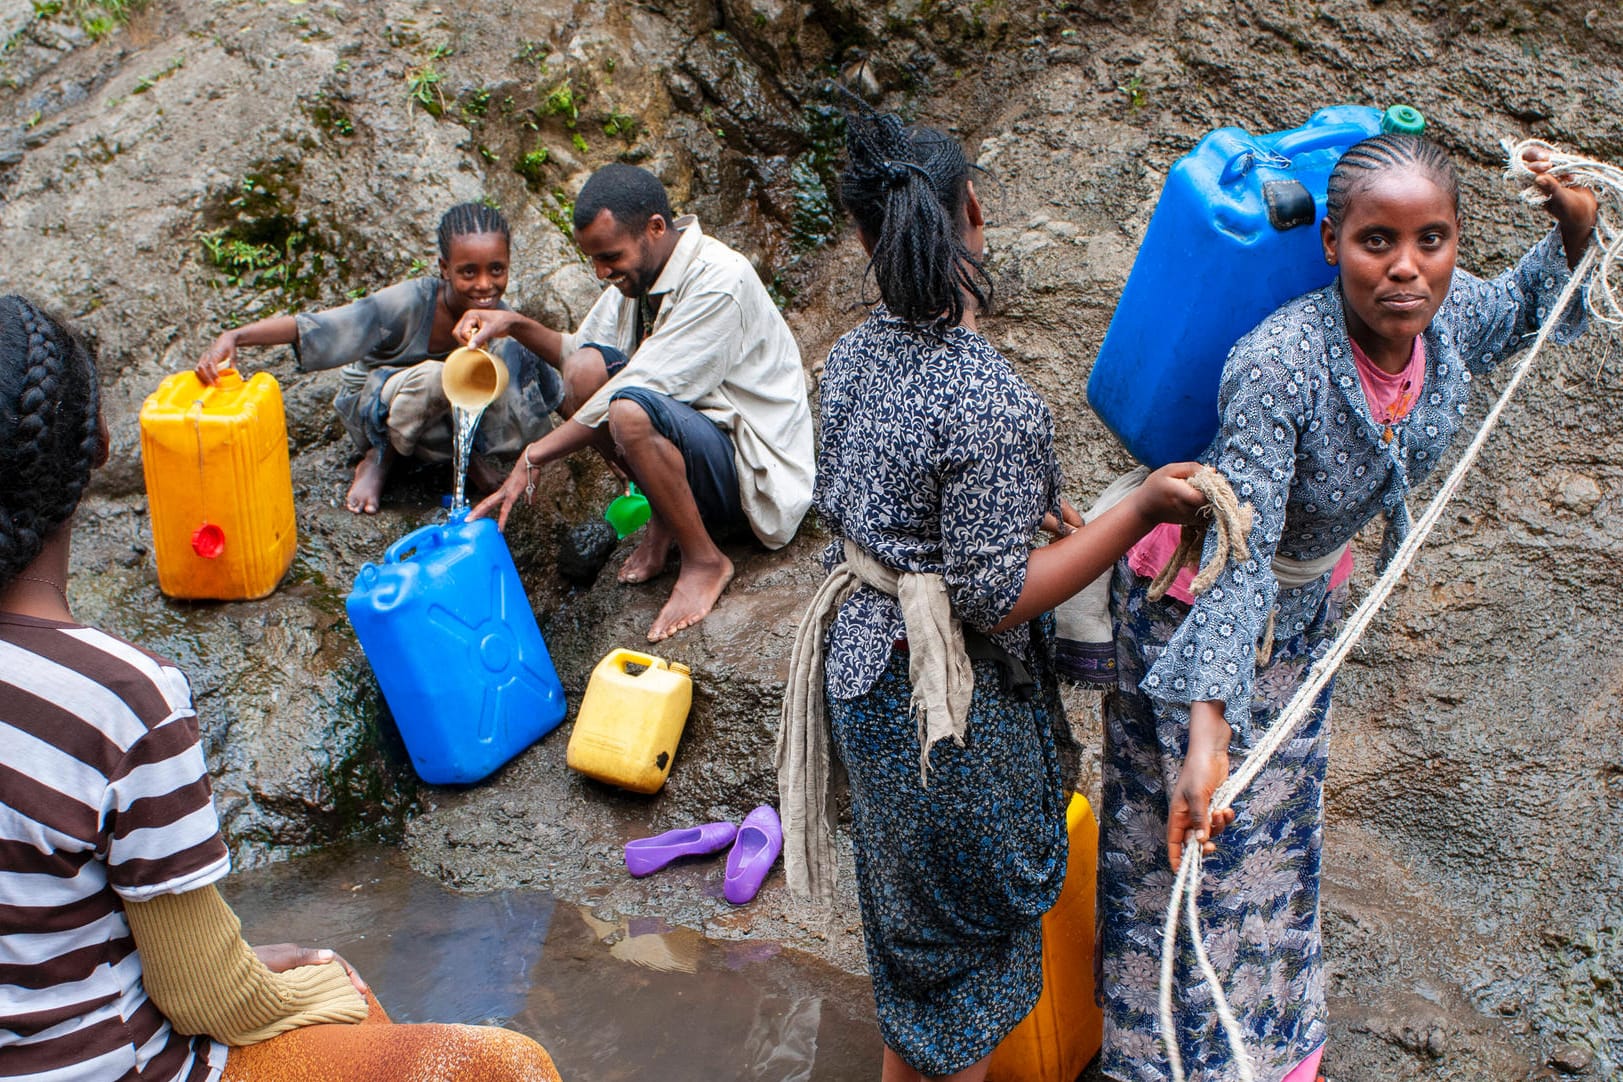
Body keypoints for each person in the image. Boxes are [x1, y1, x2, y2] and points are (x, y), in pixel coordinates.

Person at [1096, 134, 1598, 1082]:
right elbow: (1238, 550)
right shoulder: (1278, 364)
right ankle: (1164, 1061)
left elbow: (1538, 302)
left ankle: (1278, 1052)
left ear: (1454, 243)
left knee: (1278, 836)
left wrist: (1573, 226)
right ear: (1331, 243)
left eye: (1431, 239)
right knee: (1192, 843)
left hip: (1303, 618)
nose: (1405, 268)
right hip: (1192, 616)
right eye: (1377, 242)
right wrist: (1208, 728)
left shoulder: (1446, 324)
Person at [0, 294, 561, 1081]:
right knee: (491, 1062)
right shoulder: (118, 699)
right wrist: (320, 988)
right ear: (94, 446)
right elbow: (202, 997)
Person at [775, 112, 1205, 1082]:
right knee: (964, 978)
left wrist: (1014, 511)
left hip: (863, 681)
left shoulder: (849, 359)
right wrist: (1136, 509)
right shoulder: (992, 399)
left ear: (861, 237)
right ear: (974, 208)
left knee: (918, 955)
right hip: (945, 712)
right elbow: (995, 596)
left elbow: (891, 508)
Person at [464, 164, 815, 643]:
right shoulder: (641, 277)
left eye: (609, 256)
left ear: (654, 228)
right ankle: (666, 520)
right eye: (593, 260)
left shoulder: (720, 279)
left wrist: (535, 454)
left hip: (752, 476)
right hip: (695, 451)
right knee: (587, 371)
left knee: (628, 412)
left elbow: (632, 392)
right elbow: (579, 359)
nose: (601, 272)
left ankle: (705, 561)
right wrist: (510, 324)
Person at [193, 203, 563, 514]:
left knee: (509, 353)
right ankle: (379, 459)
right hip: (379, 408)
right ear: (444, 268)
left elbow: (553, 378)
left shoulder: (499, 317)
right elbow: (320, 326)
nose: (485, 285)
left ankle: (467, 460)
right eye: (469, 272)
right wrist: (235, 336)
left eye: (496, 269)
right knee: (438, 376)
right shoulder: (406, 304)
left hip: (443, 422)